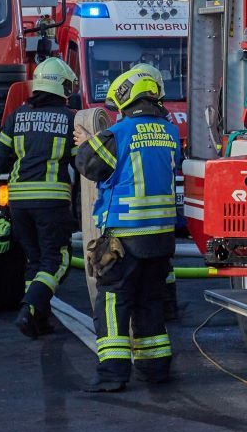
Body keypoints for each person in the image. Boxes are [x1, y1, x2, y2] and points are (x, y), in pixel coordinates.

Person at [73, 63, 180, 391]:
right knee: (149, 300)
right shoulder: (171, 132)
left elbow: (89, 166)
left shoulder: (119, 133)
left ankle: (112, 375)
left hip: (126, 236)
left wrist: (86, 142)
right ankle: (156, 368)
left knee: (112, 301)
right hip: (161, 237)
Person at [0, 56, 77, 339]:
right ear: (61, 87)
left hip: (19, 203)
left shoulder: (17, 117)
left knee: (34, 261)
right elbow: (82, 163)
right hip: (52, 202)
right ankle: (29, 307)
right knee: (56, 261)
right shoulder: (69, 119)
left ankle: (39, 321)